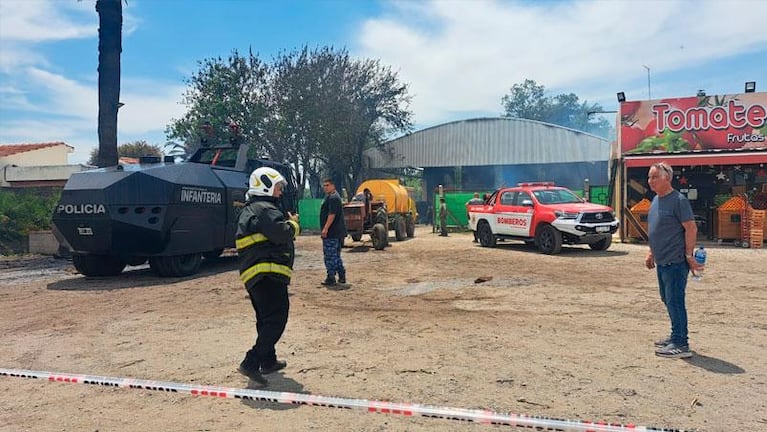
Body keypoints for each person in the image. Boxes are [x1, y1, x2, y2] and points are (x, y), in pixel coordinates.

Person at [236, 167, 300, 386]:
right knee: (276, 319)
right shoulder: (265, 209)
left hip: (257, 274)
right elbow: (281, 233)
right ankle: (251, 362)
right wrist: (293, 223)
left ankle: (268, 361)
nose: (280, 192)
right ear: (266, 185)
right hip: (268, 273)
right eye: (278, 187)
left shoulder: (252, 209)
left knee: (264, 319)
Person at [644, 162, 702, 359]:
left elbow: (691, 228)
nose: (650, 181)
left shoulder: (678, 200)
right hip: (662, 261)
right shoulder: (655, 200)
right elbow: (656, 230)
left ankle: (681, 343)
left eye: (655, 177)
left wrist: (689, 256)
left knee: (675, 301)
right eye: (649, 177)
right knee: (667, 299)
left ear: (667, 178)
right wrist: (652, 252)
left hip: (676, 262)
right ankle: (675, 335)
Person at [320, 178, 347, 286]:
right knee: (335, 255)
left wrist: (325, 228)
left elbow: (332, 215)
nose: (325, 187)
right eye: (324, 185)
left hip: (332, 232)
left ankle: (331, 277)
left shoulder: (333, 198)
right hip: (335, 232)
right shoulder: (331, 197)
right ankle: (341, 275)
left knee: (330, 256)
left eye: (327, 185)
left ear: (333, 186)